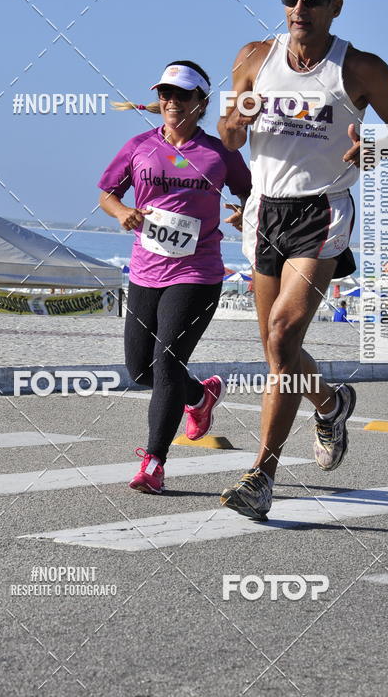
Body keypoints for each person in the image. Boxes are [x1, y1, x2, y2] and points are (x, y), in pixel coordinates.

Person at [217, 0, 388, 519]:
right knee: (275, 350)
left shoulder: (360, 69)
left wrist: (373, 147)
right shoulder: (254, 57)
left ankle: (260, 477)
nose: (298, 8)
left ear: (335, 6)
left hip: (322, 210)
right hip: (264, 211)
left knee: (282, 337)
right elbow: (229, 136)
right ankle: (330, 403)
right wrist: (238, 120)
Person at [98, 60, 252, 494]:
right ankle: (200, 397)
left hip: (198, 272)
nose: (170, 101)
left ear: (200, 103)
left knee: (166, 363)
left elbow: (252, 189)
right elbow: (108, 194)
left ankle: (154, 463)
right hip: (146, 271)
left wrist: (244, 211)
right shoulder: (139, 146)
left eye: (181, 95)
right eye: (165, 93)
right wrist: (124, 212)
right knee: (141, 369)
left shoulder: (219, 152)